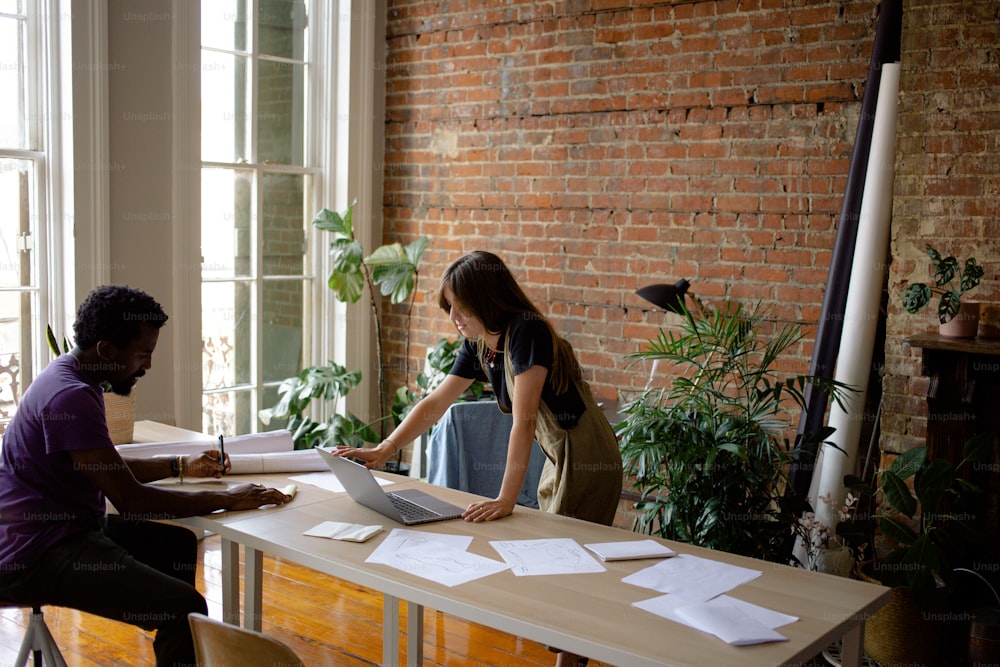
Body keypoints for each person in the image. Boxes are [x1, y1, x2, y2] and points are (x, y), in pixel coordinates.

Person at [336, 251, 622, 666]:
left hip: (585, 451)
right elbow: (436, 402)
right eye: (449, 306)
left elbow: (523, 421)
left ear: (487, 298)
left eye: (460, 306)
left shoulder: (527, 331)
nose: (453, 316)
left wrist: (506, 500)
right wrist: (385, 449)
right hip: (556, 451)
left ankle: (573, 658)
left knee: (564, 562)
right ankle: (573, 658)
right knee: (559, 559)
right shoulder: (480, 345)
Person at [0, 285, 291, 667]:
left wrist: (179, 466)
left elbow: (107, 469)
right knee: (182, 605)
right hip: (36, 554)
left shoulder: (65, 375)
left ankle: (175, 650)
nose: (147, 366)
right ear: (106, 350)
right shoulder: (71, 397)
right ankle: (174, 634)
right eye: (142, 354)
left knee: (175, 547)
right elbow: (132, 501)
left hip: (55, 531)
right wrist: (228, 497)